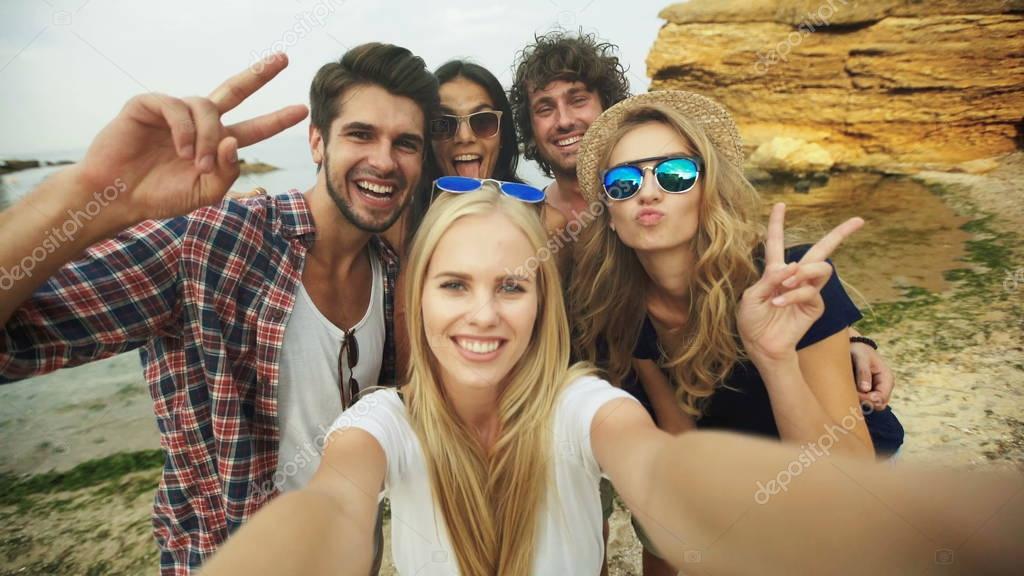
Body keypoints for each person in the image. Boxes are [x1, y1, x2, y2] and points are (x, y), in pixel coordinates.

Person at [199, 183, 1022, 576]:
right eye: (453, 284)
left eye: (511, 285)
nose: (483, 315)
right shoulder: (380, 422)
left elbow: (665, 471)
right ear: (415, 297)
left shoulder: (580, 404)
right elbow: (331, 512)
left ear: (542, 302)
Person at [0, 43, 437, 574]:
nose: (384, 161)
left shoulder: (394, 275)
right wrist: (89, 192)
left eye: (405, 143)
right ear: (317, 141)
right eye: (361, 134)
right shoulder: (215, 241)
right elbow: (14, 343)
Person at [512, 30, 902, 574]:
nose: (649, 191)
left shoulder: (784, 284)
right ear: (609, 211)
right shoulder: (620, 301)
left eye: (675, 174)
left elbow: (845, 482)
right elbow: (685, 452)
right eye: (623, 182)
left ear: (707, 187)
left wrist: (781, 357)